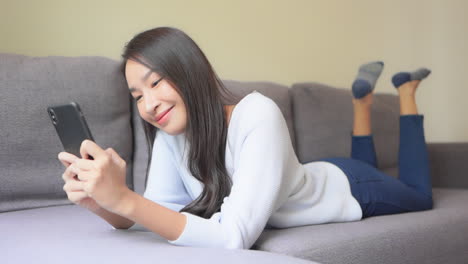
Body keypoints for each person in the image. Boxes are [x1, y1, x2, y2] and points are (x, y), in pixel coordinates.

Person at [58, 27, 433, 250]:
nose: (150, 104)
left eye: (155, 82)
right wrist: (104, 204)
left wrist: (125, 199)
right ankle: (362, 101)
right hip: (321, 173)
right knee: (367, 164)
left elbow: (233, 238)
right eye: (138, 96)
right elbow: (162, 214)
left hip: (349, 187)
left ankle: (407, 92)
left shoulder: (257, 113)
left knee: (420, 195)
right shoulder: (172, 132)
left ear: (190, 71)